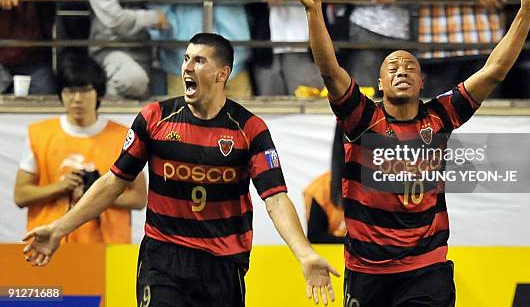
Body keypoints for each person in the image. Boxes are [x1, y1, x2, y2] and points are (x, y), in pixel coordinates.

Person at [294, 0, 530, 306]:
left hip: (426, 268)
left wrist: (525, 14)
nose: (402, 70)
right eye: (392, 67)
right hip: (367, 271)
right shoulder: (362, 118)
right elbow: (329, 69)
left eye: (410, 66)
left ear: (421, 80)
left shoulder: (441, 115)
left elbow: (493, 71)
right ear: (380, 83)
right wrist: (314, 10)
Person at [22, 33, 339, 307]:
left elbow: (276, 199)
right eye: (186, 58)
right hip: (164, 257)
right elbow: (115, 181)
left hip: (223, 263)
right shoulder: (155, 118)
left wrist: (305, 254)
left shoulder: (249, 129)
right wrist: (59, 228)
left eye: (199, 61)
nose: (187, 66)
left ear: (222, 73)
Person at [14, 54, 147, 244]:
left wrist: (97, 192)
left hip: (108, 247)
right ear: (60, 94)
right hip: (48, 244)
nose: (77, 99)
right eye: (70, 91)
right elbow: (21, 195)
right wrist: (61, 187)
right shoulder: (39, 135)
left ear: (98, 94)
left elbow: (139, 198)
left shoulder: (122, 136)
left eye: (84, 91)